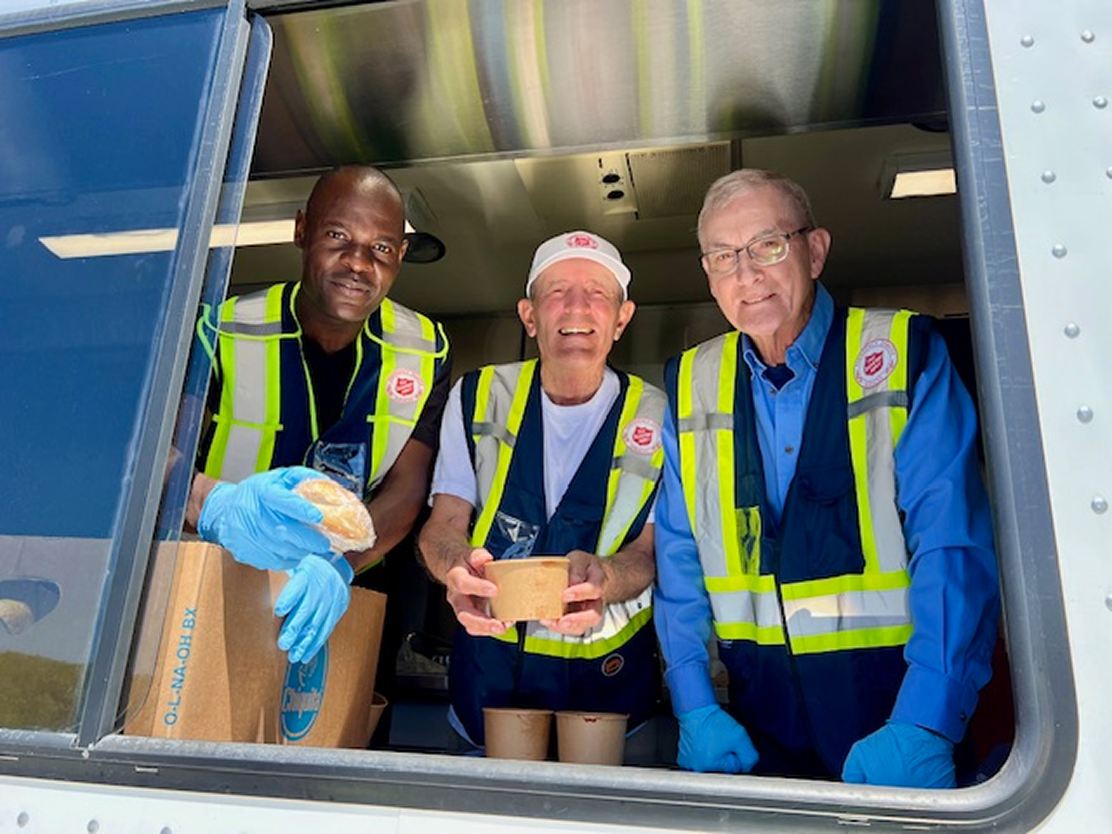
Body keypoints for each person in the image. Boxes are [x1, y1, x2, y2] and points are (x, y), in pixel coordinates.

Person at [653, 169, 999, 787]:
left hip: (894, 705)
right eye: (724, 257)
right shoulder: (689, 383)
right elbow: (678, 561)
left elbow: (952, 546)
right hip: (756, 726)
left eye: (768, 245)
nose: (747, 275)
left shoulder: (904, 354)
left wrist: (928, 720)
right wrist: (694, 703)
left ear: (814, 251)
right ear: (709, 274)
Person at [184, 165, 451, 672]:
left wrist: (338, 565)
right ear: (301, 230)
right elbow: (157, 455)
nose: (359, 263)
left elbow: (408, 488)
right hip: (219, 579)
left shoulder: (427, 350)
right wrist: (214, 504)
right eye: (337, 236)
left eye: (382, 248)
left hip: (346, 597)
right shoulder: (221, 330)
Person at [418, 231, 665, 749]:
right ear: (529, 317)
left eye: (598, 292)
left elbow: (651, 552)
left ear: (622, 318)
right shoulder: (477, 396)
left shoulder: (662, 417)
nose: (576, 306)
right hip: (489, 680)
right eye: (557, 291)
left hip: (607, 688)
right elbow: (443, 524)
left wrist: (608, 577)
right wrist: (454, 567)